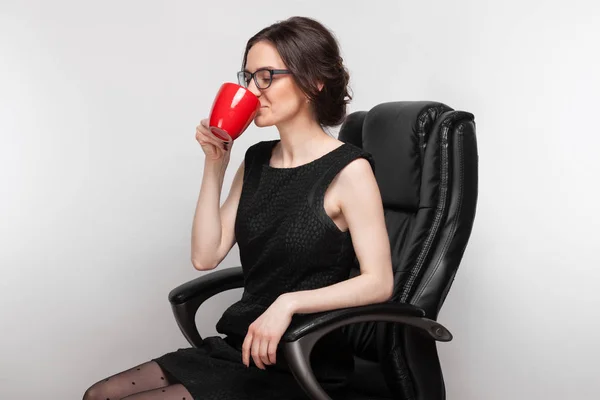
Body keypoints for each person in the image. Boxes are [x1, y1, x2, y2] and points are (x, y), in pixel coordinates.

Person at [83, 16, 393, 400]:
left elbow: (379, 282)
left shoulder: (350, 172)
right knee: (99, 395)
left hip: (301, 354)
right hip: (243, 346)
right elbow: (205, 255)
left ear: (314, 81)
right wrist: (215, 164)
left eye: (266, 76)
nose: (250, 89)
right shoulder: (258, 159)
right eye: (247, 76)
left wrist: (289, 303)